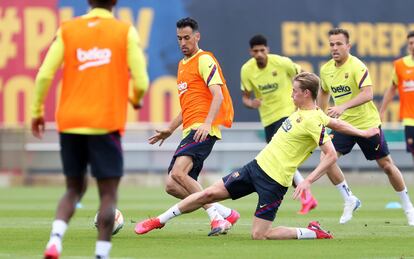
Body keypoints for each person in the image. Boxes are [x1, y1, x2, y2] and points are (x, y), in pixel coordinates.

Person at [134, 72, 380, 239]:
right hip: (255, 167)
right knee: (207, 193)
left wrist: (307, 181)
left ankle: (312, 232)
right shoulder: (313, 114)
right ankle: (159, 220)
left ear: (306, 93)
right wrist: (363, 132)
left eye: (295, 91)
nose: (291, 94)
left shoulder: (313, 121)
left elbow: (330, 156)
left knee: (259, 235)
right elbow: (337, 125)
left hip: (274, 183)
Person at [31, 0, 149, 258]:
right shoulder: (124, 31)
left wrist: (37, 111)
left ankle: (55, 239)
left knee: (73, 188)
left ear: (88, 1)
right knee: (108, 193)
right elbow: (141, 79)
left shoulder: (68, 29)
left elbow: (44, 75)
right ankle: (101, 253)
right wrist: (136, 98)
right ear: (115, 2)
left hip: (71, 122)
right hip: (105, 123)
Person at [135, 17, 238, 236]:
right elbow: (187, 107)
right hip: (190, 129)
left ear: (197, 37)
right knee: (172, 186)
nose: (183, 42)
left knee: (178, 173)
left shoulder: (204, 60)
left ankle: (216, 219)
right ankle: (225, 212)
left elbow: (218, 95)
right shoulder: (182, 65)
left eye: (187, 38)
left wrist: (208, 123)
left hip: (203, 129)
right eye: (179, 39)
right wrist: (170, 129)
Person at [318, 28, 414, 225]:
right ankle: (349, 199)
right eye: (331, 44)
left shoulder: (357, 66)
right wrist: (319, 116)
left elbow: (368, 94)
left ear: (348, 46)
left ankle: (408, 207)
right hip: (343, 125)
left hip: (367, 124)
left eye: (339, 44)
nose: (334, 48)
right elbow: (324, 95)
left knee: (386, 165)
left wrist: (342, 106)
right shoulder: (326, 69)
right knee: (326, 159)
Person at [240, 34, 317, 214]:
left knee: (282, 158)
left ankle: (306, 197)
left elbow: (304, 75)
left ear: (267, 49)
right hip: (267, 118)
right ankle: (307, 197)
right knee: (281, 160)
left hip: (286, 113)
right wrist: (251, 103)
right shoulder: (247, 70)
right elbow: (245, 97)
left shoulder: (281, 63)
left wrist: (300, 95)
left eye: (262, 50)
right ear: (250, 52)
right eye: (255, 51)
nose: (259, 54)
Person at [380, 31, 414, 164]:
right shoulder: (400, 65)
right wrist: (382, 111)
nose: (413, 46)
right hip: (410, 118)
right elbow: (392, 88)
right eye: (411, 43)